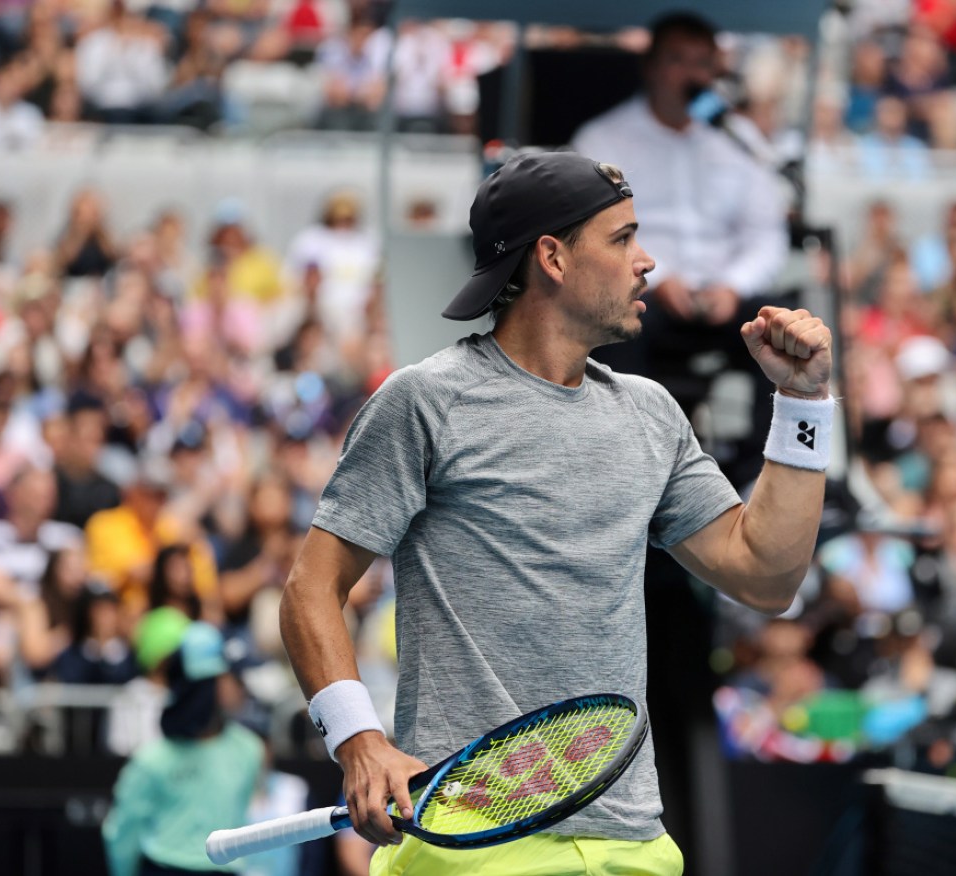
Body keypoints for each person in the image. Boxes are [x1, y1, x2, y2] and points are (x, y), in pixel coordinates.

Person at [278, 151, 833, 875]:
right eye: (622, 238)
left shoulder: (649, 414)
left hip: (631, 844)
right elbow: (309, 589)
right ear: (553, 258)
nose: (647, 262)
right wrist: (358, 741)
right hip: (472, 842)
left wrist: (801, 404)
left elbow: (765, 576)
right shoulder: (424, 402)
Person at [570, 12, 791, 485]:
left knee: (787, 324)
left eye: (702, 63)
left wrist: (735, 285)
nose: (691, 75)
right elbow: (595, 230)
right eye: (678, 61)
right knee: (606, 322)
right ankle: (631, 466)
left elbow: (766, 233)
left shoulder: (740, 141)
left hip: (720, 298)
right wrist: (659, 276)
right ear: (650, 67)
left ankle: (756, 474)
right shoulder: (602, 140)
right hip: (643, 293)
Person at [102, 619, 264, 875]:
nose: (236, 684)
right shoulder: (151, 760)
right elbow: (123, 834)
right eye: (222, 676)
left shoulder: (249, 750)